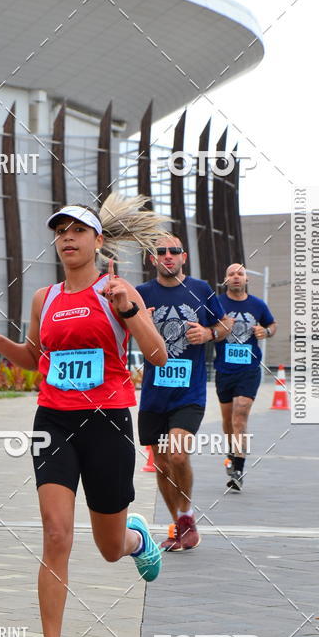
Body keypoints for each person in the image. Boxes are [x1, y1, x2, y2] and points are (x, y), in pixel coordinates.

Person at [0, 193, 168, 637]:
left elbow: (158, 356)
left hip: (109, 423)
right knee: (57, 535)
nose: (67, 239)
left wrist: (130, 310)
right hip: (53, 421)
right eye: (60, 232)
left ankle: (136, 539)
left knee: (107, 548)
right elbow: (33, 358)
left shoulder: (116, 290)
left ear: (98, 241)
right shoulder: (45, 298)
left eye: (77, 231)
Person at [136, 236, 230, 552]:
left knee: (178, 455)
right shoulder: (142, 293)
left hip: (188, 393)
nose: (167, 256)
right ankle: (178, 524)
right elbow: (125, 333)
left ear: (183, 257)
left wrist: (208, 333)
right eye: (160, 251)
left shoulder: (201, 290)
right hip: (153, 395)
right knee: (162, 466)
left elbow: (225, 326)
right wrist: (141, 325)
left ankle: (187, 517)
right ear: (153, 259)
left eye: (173, 251)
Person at [214, 263, 277, 492]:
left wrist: (266, 332)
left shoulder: (258, 305)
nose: (236, 277)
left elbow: (272, 324)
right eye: (231, 274)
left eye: (240, 274)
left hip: (249, 369)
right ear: (226, 279)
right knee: (228, 420)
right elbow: (207, 327)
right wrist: (218, 328)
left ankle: (238, 469)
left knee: (241, 413)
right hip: (224, 369)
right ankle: (232, 451)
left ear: (247, 279)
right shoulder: (218, 303)